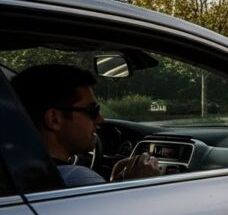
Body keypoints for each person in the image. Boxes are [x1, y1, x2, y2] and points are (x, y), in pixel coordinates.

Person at [11, 64, 160, 187]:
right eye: (92, 111)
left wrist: (116, 183)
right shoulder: (77, 178)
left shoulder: (15, 171)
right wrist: (137, 184)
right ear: (54, 119)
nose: (101, 120)